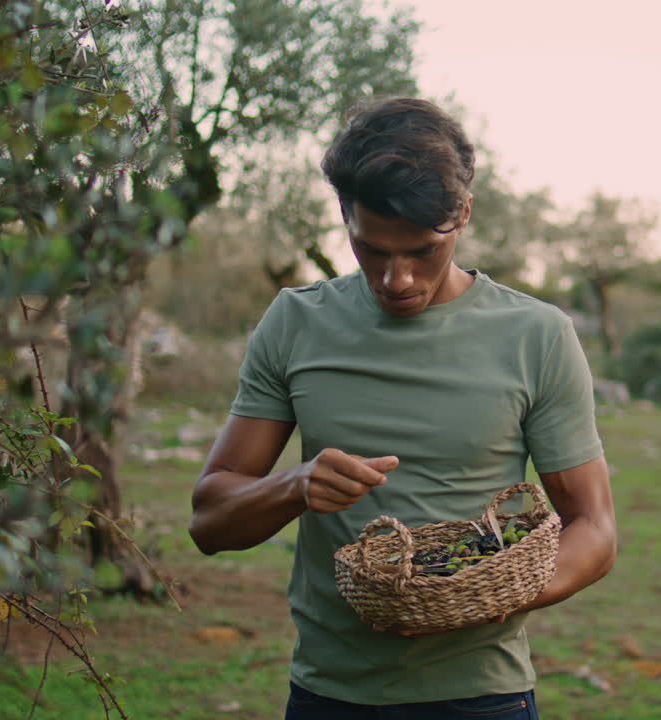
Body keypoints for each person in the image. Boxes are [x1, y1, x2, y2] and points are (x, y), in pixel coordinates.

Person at [188, 97, 617, 719]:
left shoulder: (537, 335)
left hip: (482, 699)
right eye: (372, 250)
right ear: (346, 220)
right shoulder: (295, 322)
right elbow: (208, 522)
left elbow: (596, 532)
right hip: (329, 697)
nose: (396, 280)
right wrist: (296, 486)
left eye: (421, 251)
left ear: (462, 216)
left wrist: (477, 598)